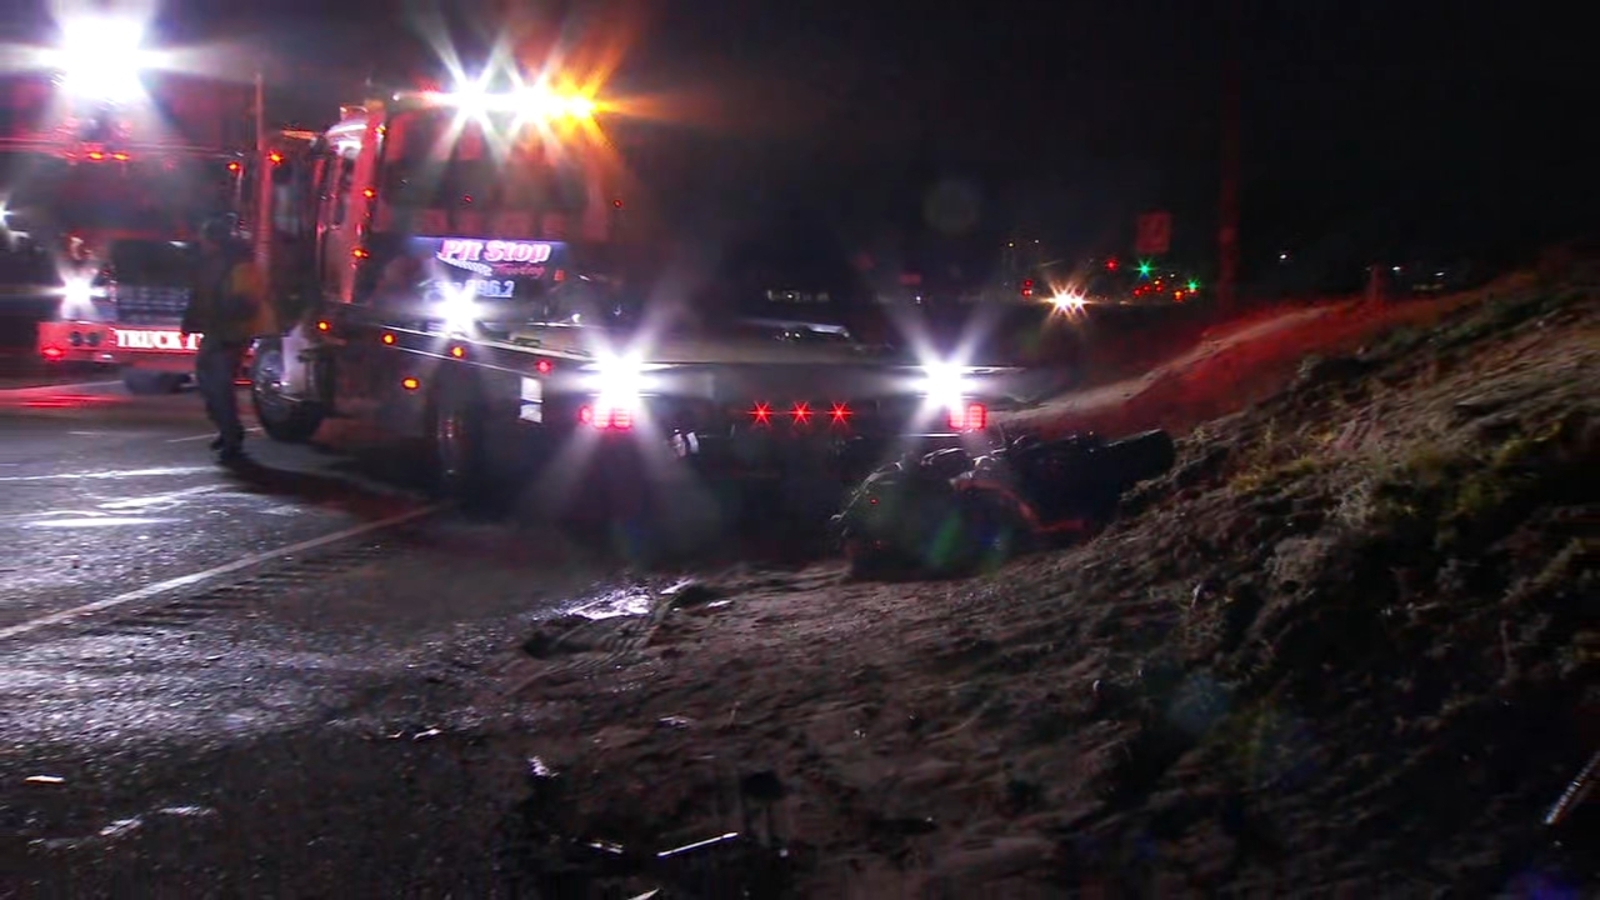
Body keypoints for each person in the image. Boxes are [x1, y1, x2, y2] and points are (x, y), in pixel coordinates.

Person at [180, 219, 274, 462]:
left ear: (213, 240)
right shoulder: (211, 264)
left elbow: (246, 302)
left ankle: (231, 437)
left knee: (218, 387)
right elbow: (200, 295)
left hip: (230, 334)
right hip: (216, 331)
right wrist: (191, 322)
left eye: (205, 238)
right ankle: (227, 431)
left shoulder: (239, 266)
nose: (201, 243)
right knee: (210, 384)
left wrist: (217, 315)